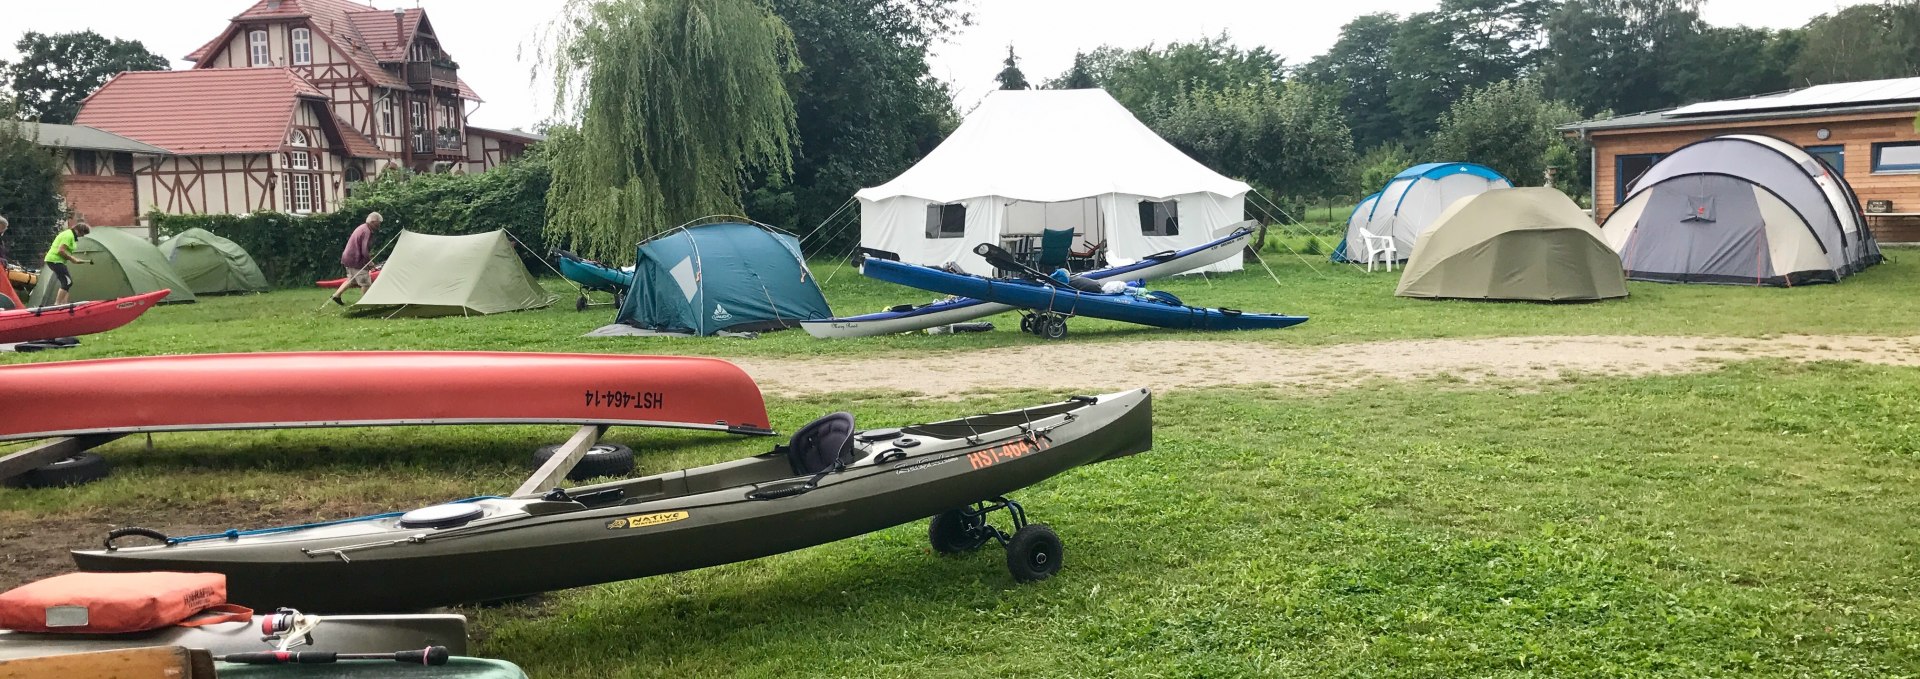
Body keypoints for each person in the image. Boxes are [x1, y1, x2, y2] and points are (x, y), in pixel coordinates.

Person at [331, 212, 381, 305]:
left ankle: (336, 295)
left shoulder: (362, 227)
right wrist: (370, 263)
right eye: (379, 222)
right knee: (366, 282)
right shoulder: (367, 231)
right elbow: (364, 250)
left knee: (351, 280)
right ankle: (365, 303)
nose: (379, 225)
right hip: (355, 259)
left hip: (347, 258)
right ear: (373, 222)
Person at [44, 219, 93, 306]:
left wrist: (73, 258)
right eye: (82, 234)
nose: (82, 236)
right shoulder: (68, 236)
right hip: (55, 260)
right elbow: (61, 251)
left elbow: (65, 251)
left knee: (67, 282)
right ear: (78, 230)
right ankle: (57, 304)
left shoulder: (69, 234)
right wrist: (71, 259)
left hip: (57, 261)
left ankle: (64, 303)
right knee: (68, 282)